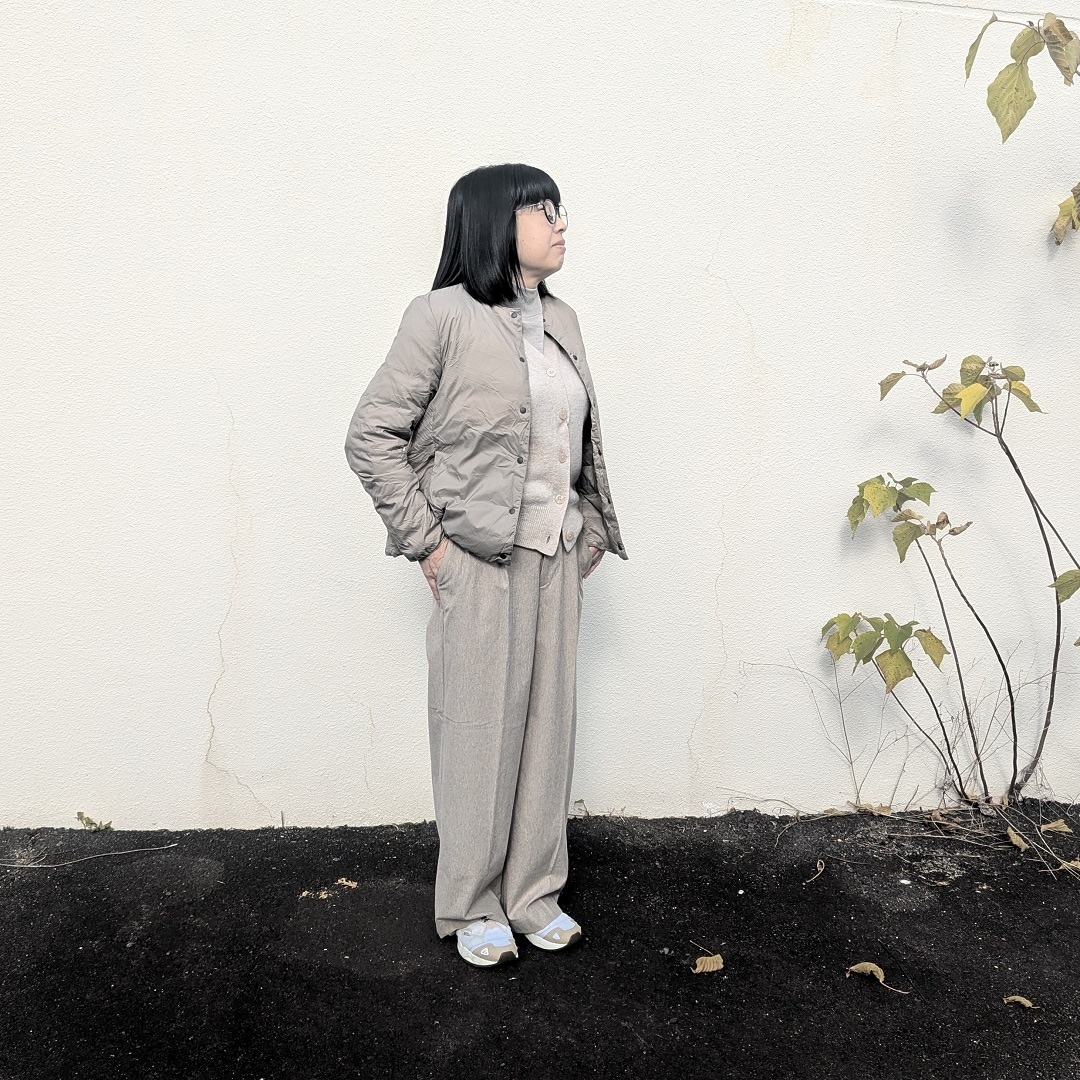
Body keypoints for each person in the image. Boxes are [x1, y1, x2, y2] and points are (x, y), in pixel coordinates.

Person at [345, 163, 625, 968]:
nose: (560, 222)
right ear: (493, 222)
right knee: (477, 734)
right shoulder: (440, 317)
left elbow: (574, 438)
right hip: (476, 558)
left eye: (559, 208)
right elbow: (371, 436)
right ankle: (471, 904)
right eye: (542, 209)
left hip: (556, 555)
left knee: (547, 730)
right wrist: (429, 544)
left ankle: (533, 894)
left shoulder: (563, 319)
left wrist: (589, 529)